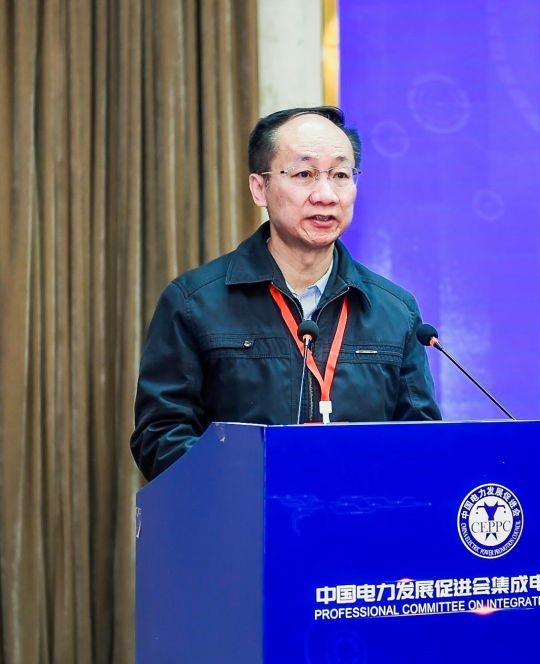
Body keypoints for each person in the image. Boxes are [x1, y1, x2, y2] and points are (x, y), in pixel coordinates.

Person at [130, 106, 441, 481]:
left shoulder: (395, 311)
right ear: (259, 188)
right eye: (304, 174)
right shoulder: (195, 303)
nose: (325, 194)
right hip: (243, 515)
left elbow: (423, 444)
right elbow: (160, 437)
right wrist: (262, 483)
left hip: (361, 514)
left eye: (340, 175)